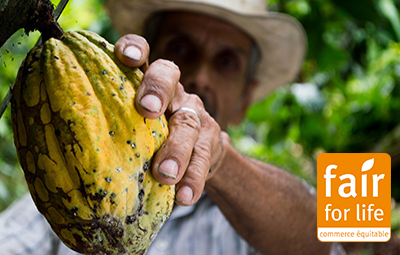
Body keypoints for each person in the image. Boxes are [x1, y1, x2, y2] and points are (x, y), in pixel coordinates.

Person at [0, 0, 346, 254]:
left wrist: (220, 160)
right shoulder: (62, 187)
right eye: (181, 47)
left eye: (227, 61)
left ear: (246, 99)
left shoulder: (256, 221)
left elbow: (325, 240)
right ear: (140, 63)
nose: (200, 76)